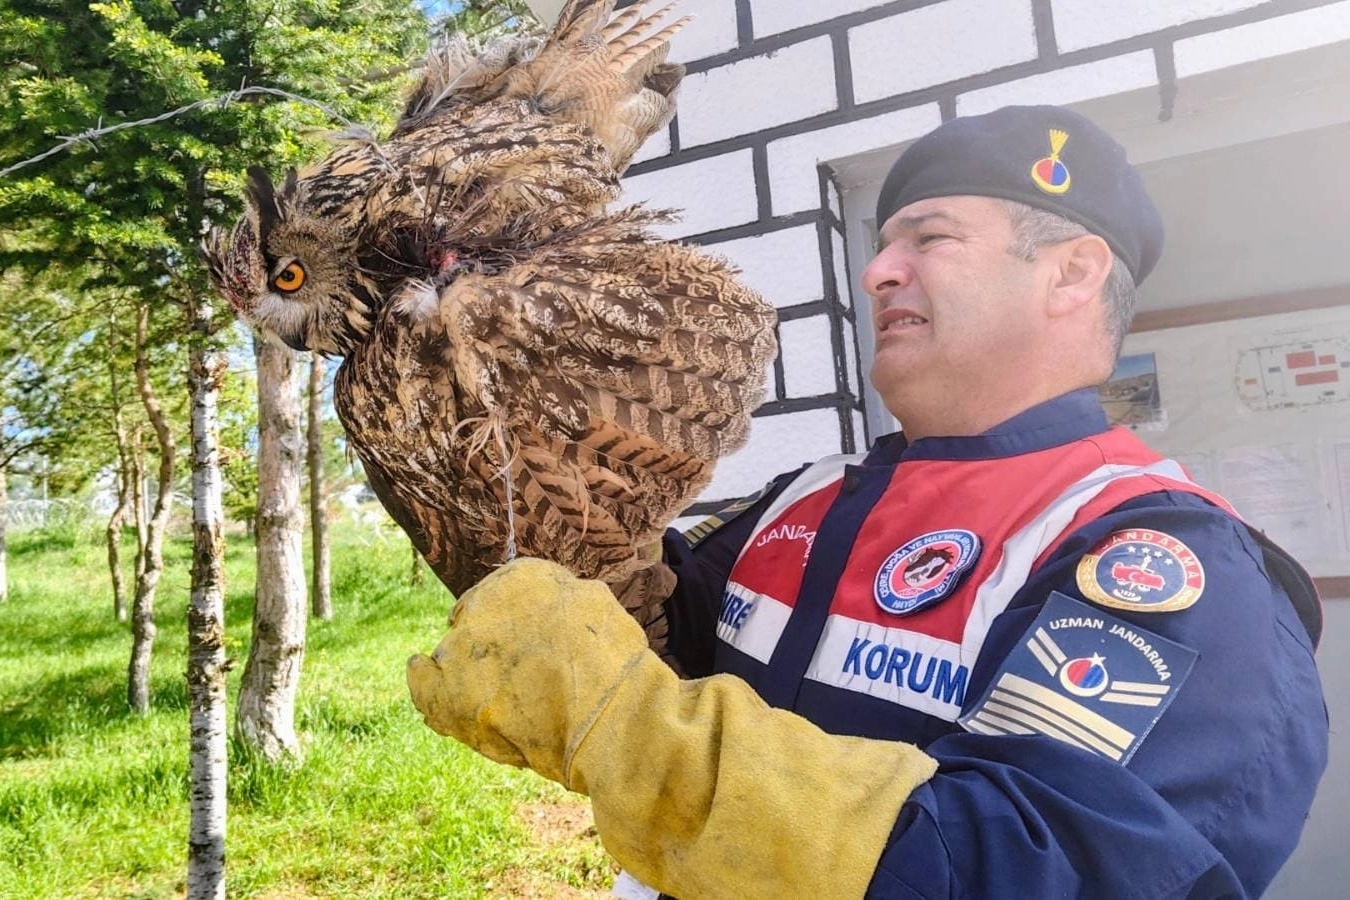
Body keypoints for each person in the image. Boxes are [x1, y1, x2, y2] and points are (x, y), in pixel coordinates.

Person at [407, 105, 1328, 899]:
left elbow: (1027, 861)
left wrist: (632, 735)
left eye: (929, 238)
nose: (877, 270)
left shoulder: (1156, 553)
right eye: (883, 243)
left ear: (1072, 273)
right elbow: (649, 627)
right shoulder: (810, 494)